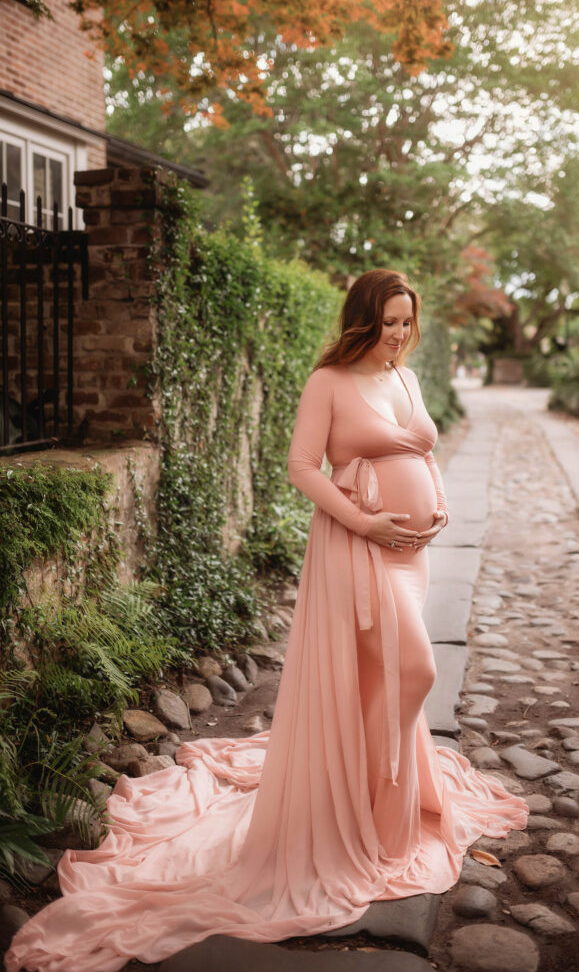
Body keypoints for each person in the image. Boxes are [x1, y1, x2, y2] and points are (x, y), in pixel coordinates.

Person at [4, 269, 528, 972]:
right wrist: (365, 520)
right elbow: (301, 467)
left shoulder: (403, 377)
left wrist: (439, 507)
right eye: (388, 322)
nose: (399, 334)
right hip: (357, 547)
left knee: (390, 676)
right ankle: (362, 800)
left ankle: (381, 797)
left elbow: (421, 448)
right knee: (415, 668)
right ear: (360, 320)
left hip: (409, 555)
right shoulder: (329, 383)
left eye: (407, 322)